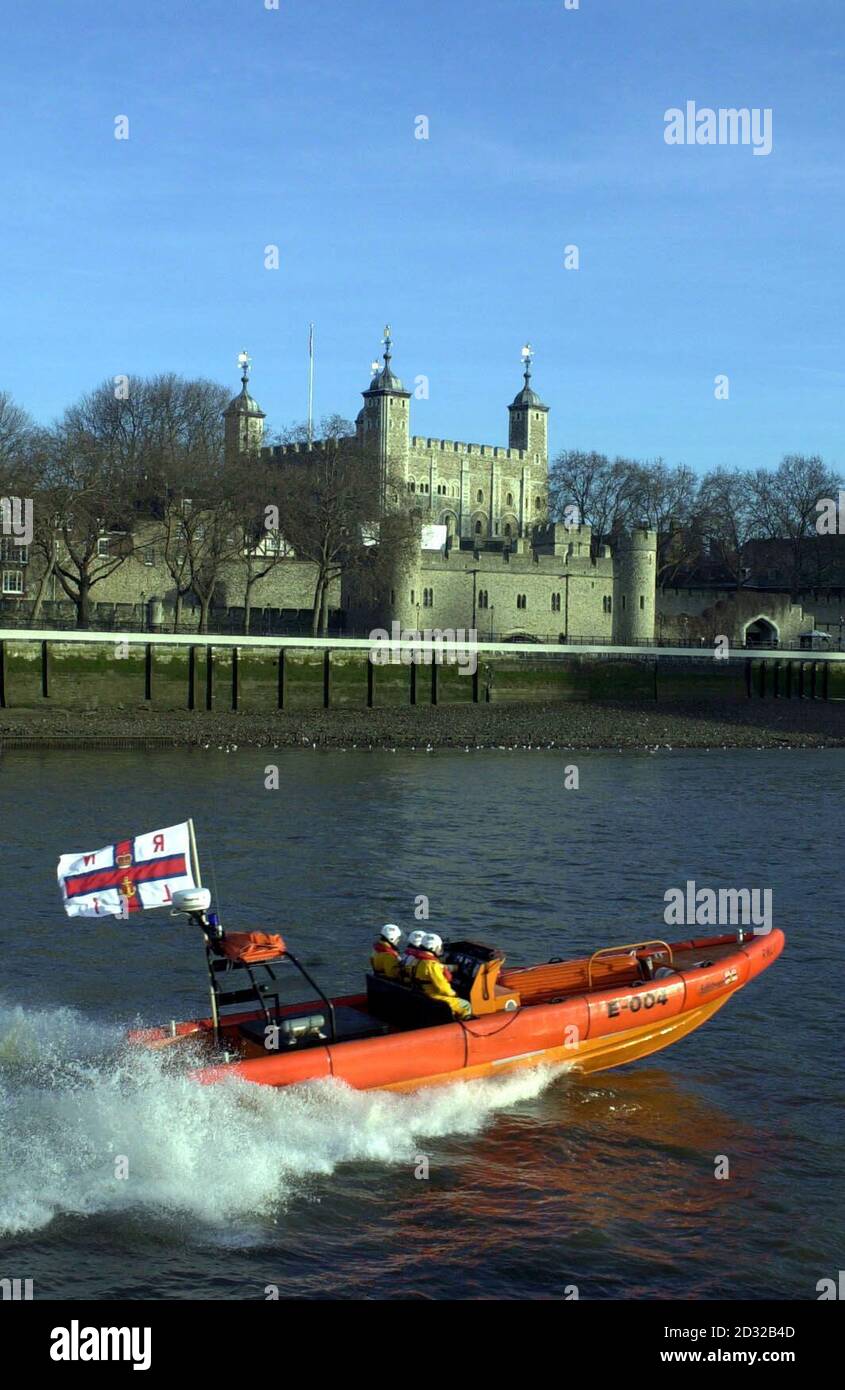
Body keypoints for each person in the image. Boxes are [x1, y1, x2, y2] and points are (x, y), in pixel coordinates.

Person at [412, 933, 472, 1018]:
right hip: (432, 996)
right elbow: (442, 987)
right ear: (434, 948)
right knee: (466, 1005)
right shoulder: (432, 965)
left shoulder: (417, 960)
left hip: (421, 993)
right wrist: (454, 994)